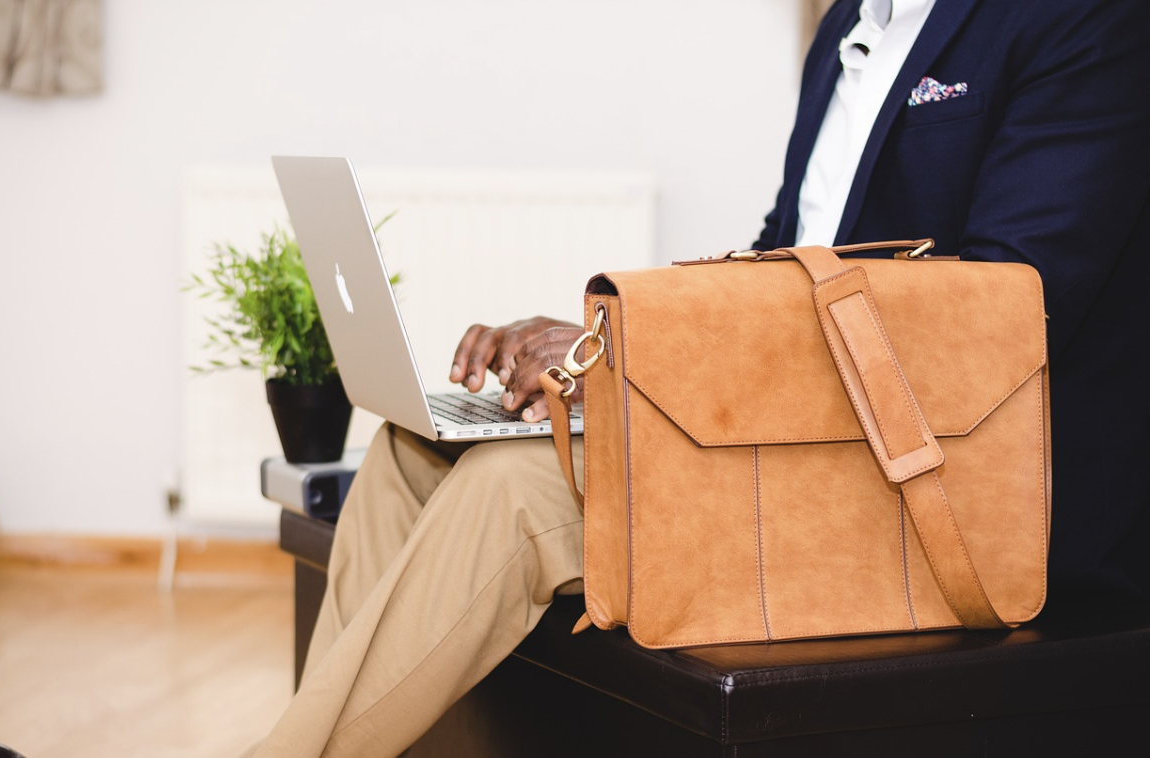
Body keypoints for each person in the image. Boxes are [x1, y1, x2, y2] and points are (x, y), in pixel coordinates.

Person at [253, 1, 1150, 756]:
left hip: (951, 490)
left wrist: (640, 358)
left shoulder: (1088, 21)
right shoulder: (847, 24)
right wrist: (607, 350)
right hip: (809, 446)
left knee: (517, 490)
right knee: (409, 453)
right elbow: (779, 259)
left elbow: (993, 321)